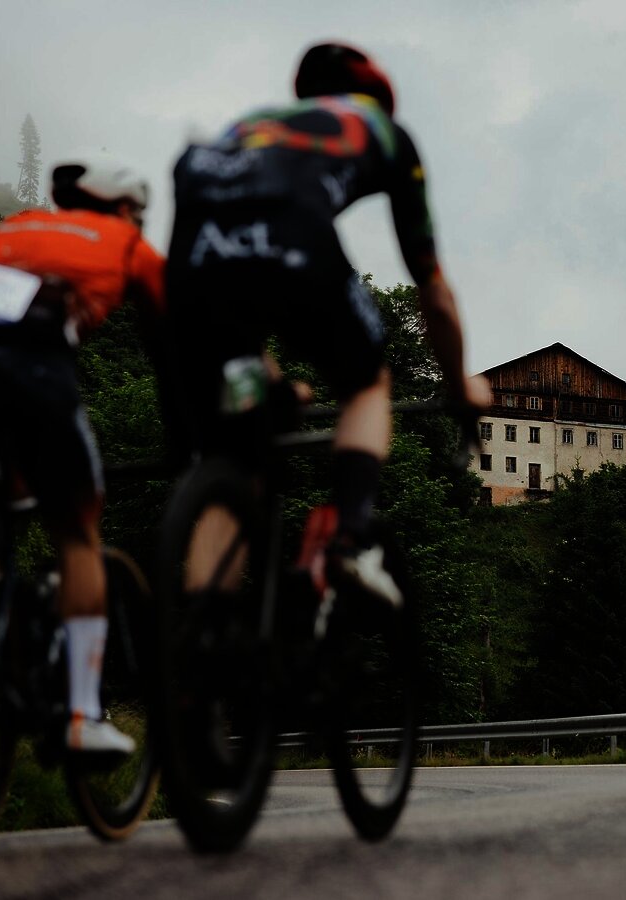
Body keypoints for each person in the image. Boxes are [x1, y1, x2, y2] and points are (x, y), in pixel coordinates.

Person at [166, 41, 491, 604]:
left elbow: (235, 278)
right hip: (295, 245)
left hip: (195, 255)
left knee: (237, 459)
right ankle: (349, 537)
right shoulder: (383, 129)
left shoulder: (253, 121)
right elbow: (432, 291)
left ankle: (198, 642)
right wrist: (458, 384)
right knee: (367, 385)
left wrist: (267, 376)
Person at [0, 154, 166, 756]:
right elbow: (176, 343)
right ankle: (82, 714)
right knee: (79, 530)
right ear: (128, 210)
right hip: (29, 367)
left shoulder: (16, 225)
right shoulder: (129, 244)